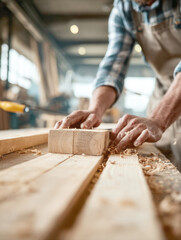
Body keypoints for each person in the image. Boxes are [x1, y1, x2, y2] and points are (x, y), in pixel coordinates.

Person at [55, 0, 181, 155]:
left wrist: (158, 120)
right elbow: (113, 67)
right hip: (163, 91)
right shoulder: (123, 8)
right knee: (162, 157)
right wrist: (95, 109)